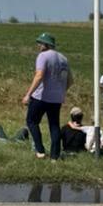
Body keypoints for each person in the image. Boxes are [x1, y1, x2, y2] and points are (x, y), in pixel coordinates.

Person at [22, 32, 72, 160]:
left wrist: (28, 94)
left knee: (32, 121)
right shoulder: (63, 59)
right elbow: (70, 80)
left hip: (41, 96)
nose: (39, 45)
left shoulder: (43, 56)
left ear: (45, 44)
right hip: (56, 99)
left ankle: (40, 150)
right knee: (54, 125)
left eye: (40, 43)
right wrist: (61, 91)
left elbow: (39, 75)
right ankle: (55, 156)